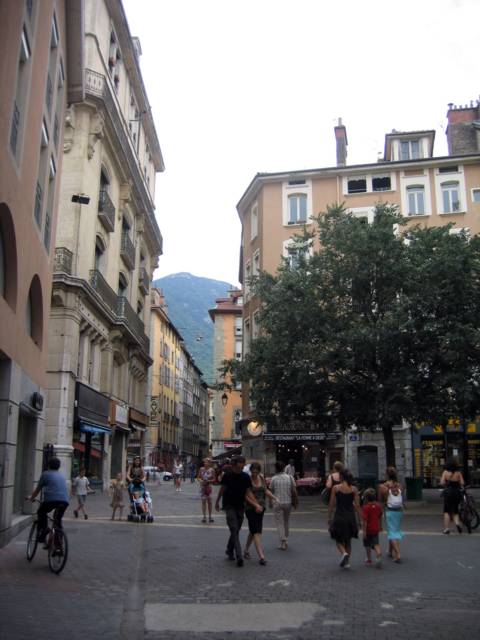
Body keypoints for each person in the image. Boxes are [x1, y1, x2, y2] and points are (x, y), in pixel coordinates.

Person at [215, 455, 263, 567]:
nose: (240, 468)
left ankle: (229, 549)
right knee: (234, 528)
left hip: (240, 506)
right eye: (238, 466)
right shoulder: (227, 475)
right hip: (229, 506)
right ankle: (239, 555)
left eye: (242, 466)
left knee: (236, 530)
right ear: (234, 465)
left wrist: (256, 504)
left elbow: (248, 492)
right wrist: (217, 501)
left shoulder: (245, 477)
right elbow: (222, 489)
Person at [26, 457, 69, 548]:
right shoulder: (62, 476)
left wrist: (31, 498)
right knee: (58, 520)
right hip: (64, 501)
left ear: (49, 465)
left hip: (51, 500)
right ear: (58, 467)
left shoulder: (45, 474)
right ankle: (58, 545)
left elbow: (38, 489)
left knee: (41, 512)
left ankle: (45, 529)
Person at [243, 462, 278, 565]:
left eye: (256, 471)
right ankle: (261, 556)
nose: (254, 473)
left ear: (259, 471)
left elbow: (265, 491)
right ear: (250, 470)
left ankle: (246, 550)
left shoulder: (261, 478)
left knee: (253, 531)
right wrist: (256, 505)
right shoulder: (247, 479)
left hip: (261, 508)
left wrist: (274, 498)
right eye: (253, 471)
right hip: (250, 509)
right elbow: (246, 496)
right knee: (257, 532)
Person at [328, 468, 362, 568]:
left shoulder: (336, 488)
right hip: (350, 516)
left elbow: (331, 504)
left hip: (339, 515)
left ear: (341, 477)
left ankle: (343, 553)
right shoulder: (354, 489)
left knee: (338, 538)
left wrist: (329, 517)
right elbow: (357, 506)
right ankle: (347, 562)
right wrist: (360, 520)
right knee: (348, 541)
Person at [269, 460, 298, 551]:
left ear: (276, 468)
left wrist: (270, 502)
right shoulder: (290, 477)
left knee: (279, 523)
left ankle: (283, 541)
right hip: (288, 502)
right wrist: (295, 502)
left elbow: (271, 492)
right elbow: (294, 491)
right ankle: (285, 540)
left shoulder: (273, 478)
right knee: (286, 522)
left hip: (277, 503)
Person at [378, 466, 405, 563]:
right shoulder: (400, 486)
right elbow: (401, 495)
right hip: (399, 511)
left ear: (386, 475)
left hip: (390, 510)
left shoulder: (383, 486)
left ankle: (398, 554)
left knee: (392, 532)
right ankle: (390, 551)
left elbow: (380, 500)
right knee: (394, 529)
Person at [440, 458, 465, 534]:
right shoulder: (458, 473)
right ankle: (457, 524)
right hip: (457, 492)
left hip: (448, 493)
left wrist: (445, 482)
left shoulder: (445, 472)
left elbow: (442, 482)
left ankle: (447, 529)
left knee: (447, 511)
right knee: (455, 510)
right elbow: (462, 483)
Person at [362, 488, 383, 567]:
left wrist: (364, 531)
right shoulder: (378, 506)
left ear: (366, 498)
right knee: (376, 543)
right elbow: (380, 517)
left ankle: (369, 558)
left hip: (368, 529)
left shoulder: (366, 507)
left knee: (367, 544)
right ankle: (378, 553)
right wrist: (380, 526)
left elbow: (365, 521)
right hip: (376, 528)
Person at [198, 458, 216, 523]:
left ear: (209, 463)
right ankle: (204, 517)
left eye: (207, 462)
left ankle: (210, 516)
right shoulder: (201, 469)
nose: (205, 463)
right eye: (204, 462)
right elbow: (198, 477)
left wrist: (209, 481)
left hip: (209, 488)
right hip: (203, 488)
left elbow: (214, 479)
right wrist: (201, 480)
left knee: (210, 502)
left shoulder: (212, 470)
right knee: (203, 502)